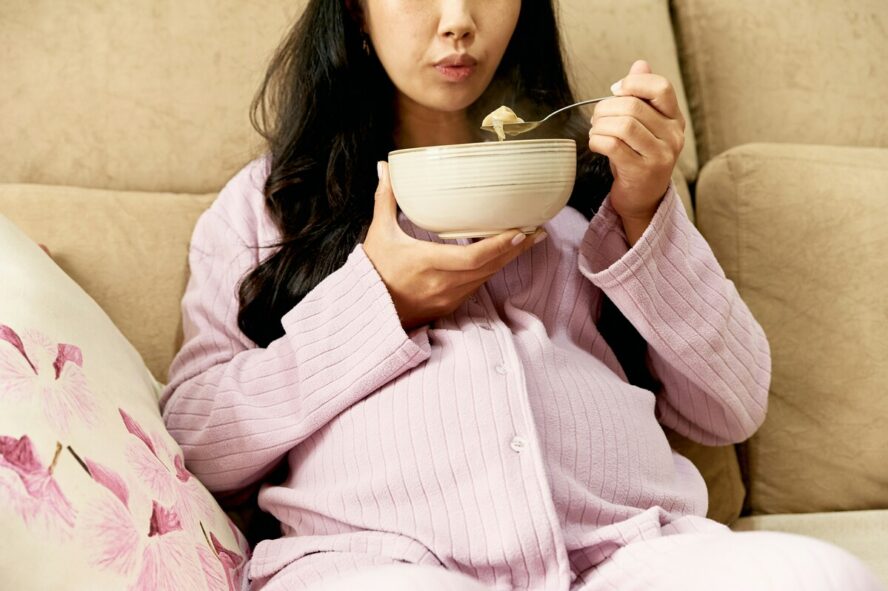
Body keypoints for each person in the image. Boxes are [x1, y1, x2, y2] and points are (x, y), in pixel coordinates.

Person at [160, 1, 885, 590]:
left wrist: (646, 215)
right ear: (356, 10)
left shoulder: (597, 187)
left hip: (625, 553)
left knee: (824, 574)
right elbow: (197, 437)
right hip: (379, 563)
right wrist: (380, 301)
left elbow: (733, 405)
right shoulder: (269, 203)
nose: (458, 20)